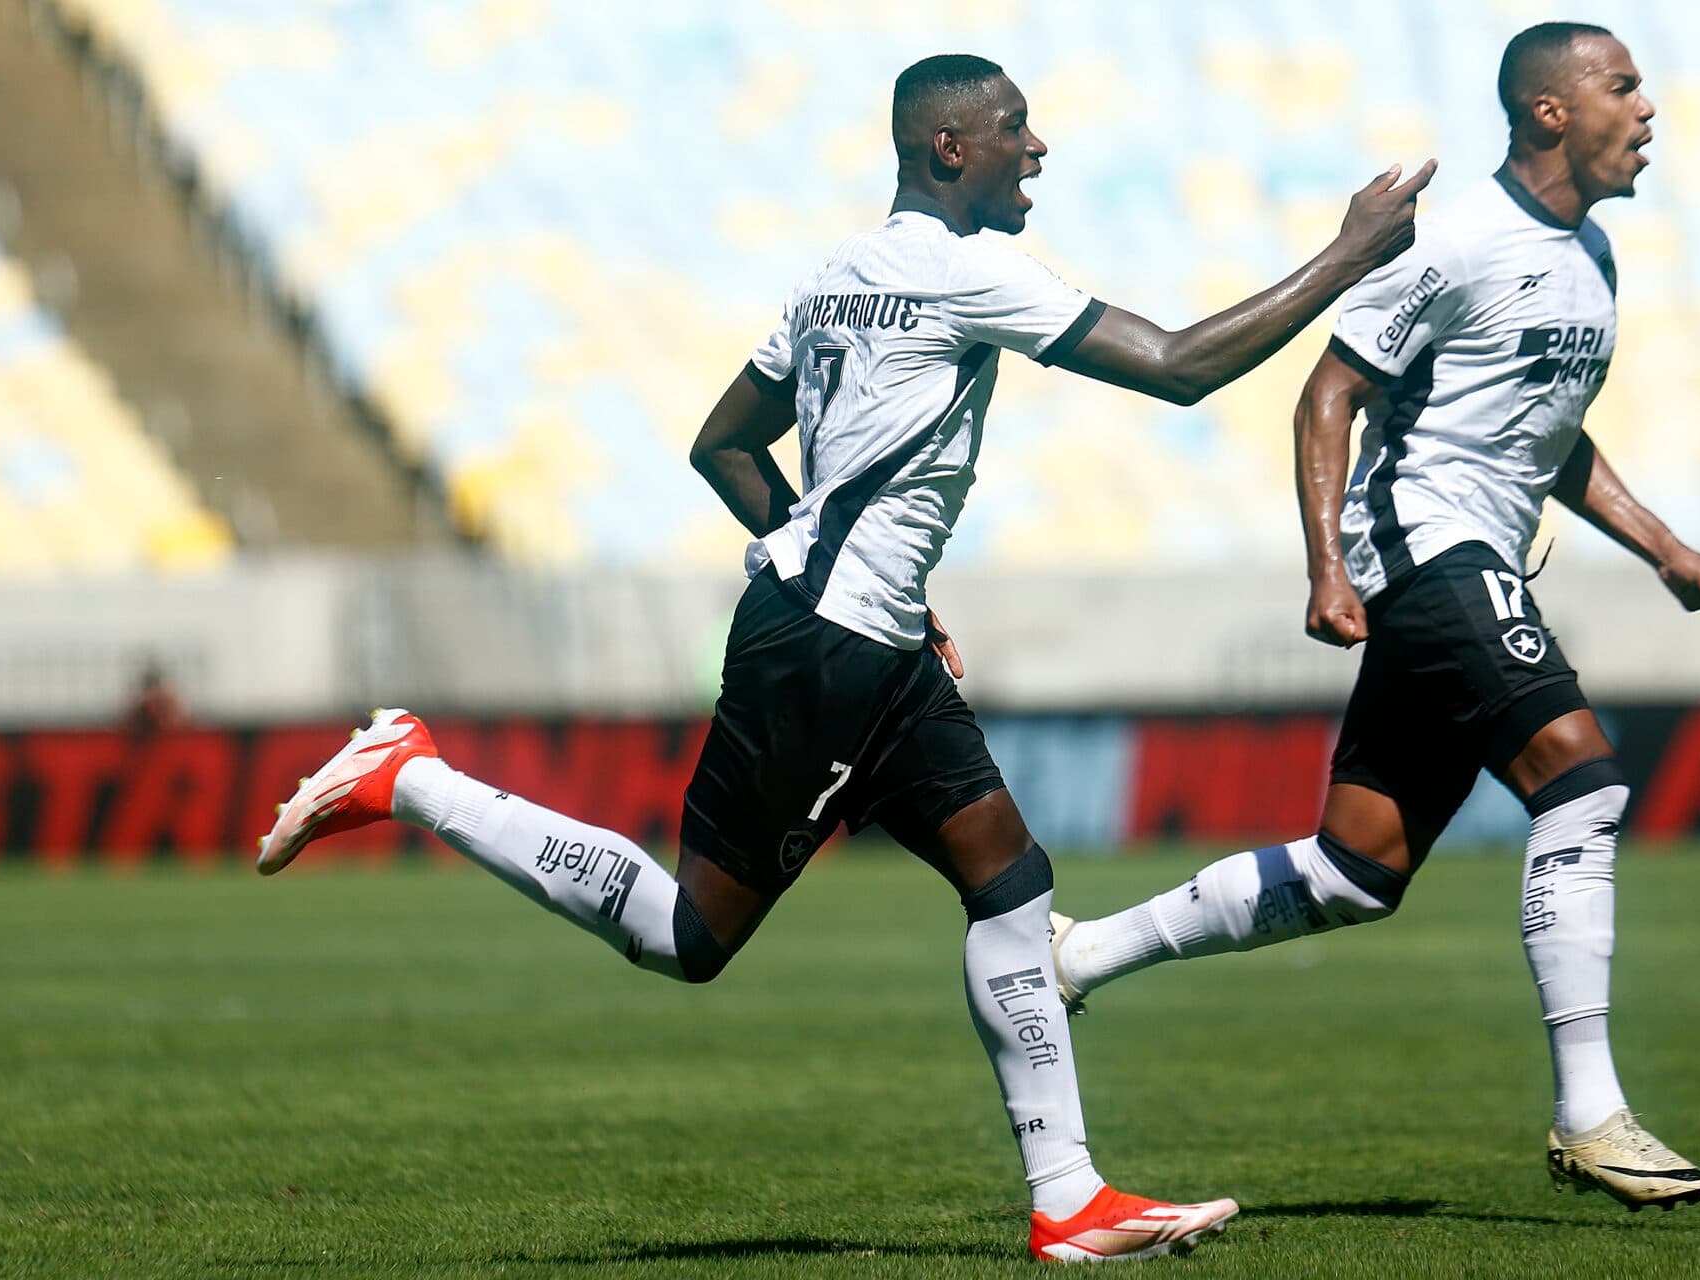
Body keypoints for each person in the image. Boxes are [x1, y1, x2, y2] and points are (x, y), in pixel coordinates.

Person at [257, 53, 1431, 1261]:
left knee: (1011, 884)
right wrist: (1348, 255)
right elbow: (1182, 368)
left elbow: (724, 445)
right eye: (1014, 129)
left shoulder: (833, 279)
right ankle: (410, 775)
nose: (1037, 149)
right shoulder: (968, 272)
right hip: (824, 653)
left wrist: (830, 562)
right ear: (947, 151)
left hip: (873, 639)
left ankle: (1069, 1198)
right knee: (687, 935)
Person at [1049, 23, 1700, 1214]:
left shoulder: (1594, 256)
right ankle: (1591, 1114)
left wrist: (1663, 545)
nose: (1649, 108)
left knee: (1355, 868)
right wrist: (1328, 564)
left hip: (1474, 551)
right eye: (1623, 85)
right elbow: (1331, 391)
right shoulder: (1460, 241)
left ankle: (1080, 953)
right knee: (1585, 780)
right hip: (1428, 545)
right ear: (1549, 113)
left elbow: (1546, 433)